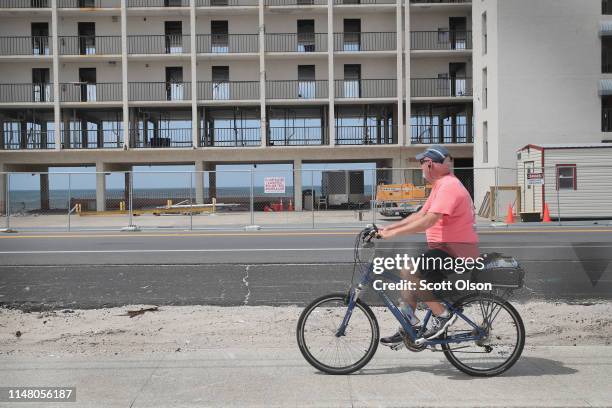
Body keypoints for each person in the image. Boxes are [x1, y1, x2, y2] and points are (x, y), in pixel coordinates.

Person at [377, 145, 479, 346]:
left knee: (410, 272)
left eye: (422, 163)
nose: (421, 168)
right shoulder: (441, 185)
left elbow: (429, 221)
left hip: (456, 252)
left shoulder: (449, 187)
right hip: (445, 250)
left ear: (430, 164)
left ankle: (442, 316)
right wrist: (387, 228)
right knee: (410, 273)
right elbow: (420, 215)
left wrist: (392, 234)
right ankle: (408, 327)